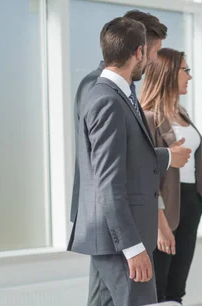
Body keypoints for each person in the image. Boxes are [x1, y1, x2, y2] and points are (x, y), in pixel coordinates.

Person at [67, 17, 191, 306]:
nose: (151, 62)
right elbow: (108, 180)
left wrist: (165, 158)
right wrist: (134, 246)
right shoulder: (105, 97)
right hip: (121, 235)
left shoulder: (120, 93)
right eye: (150, 54)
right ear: (138, 52)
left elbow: (129, 158)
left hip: (113, 232)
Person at [70, 9, 172, 225]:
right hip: (107, 219)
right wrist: (167, 156)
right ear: (140, 48)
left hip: (126, 213)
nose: (154, 59)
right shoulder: (98, 88)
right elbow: (109, 165)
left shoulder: (125, 87)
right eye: (155, 51)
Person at [141, 48, 202, 303]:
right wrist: (160, 225)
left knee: (177, 286)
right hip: (164, 207)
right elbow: (144, 176)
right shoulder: (148, 117)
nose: (189, 77)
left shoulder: (182, 113)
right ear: (168, 73)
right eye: (185, 70)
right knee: (159, 287)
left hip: (191, 202)